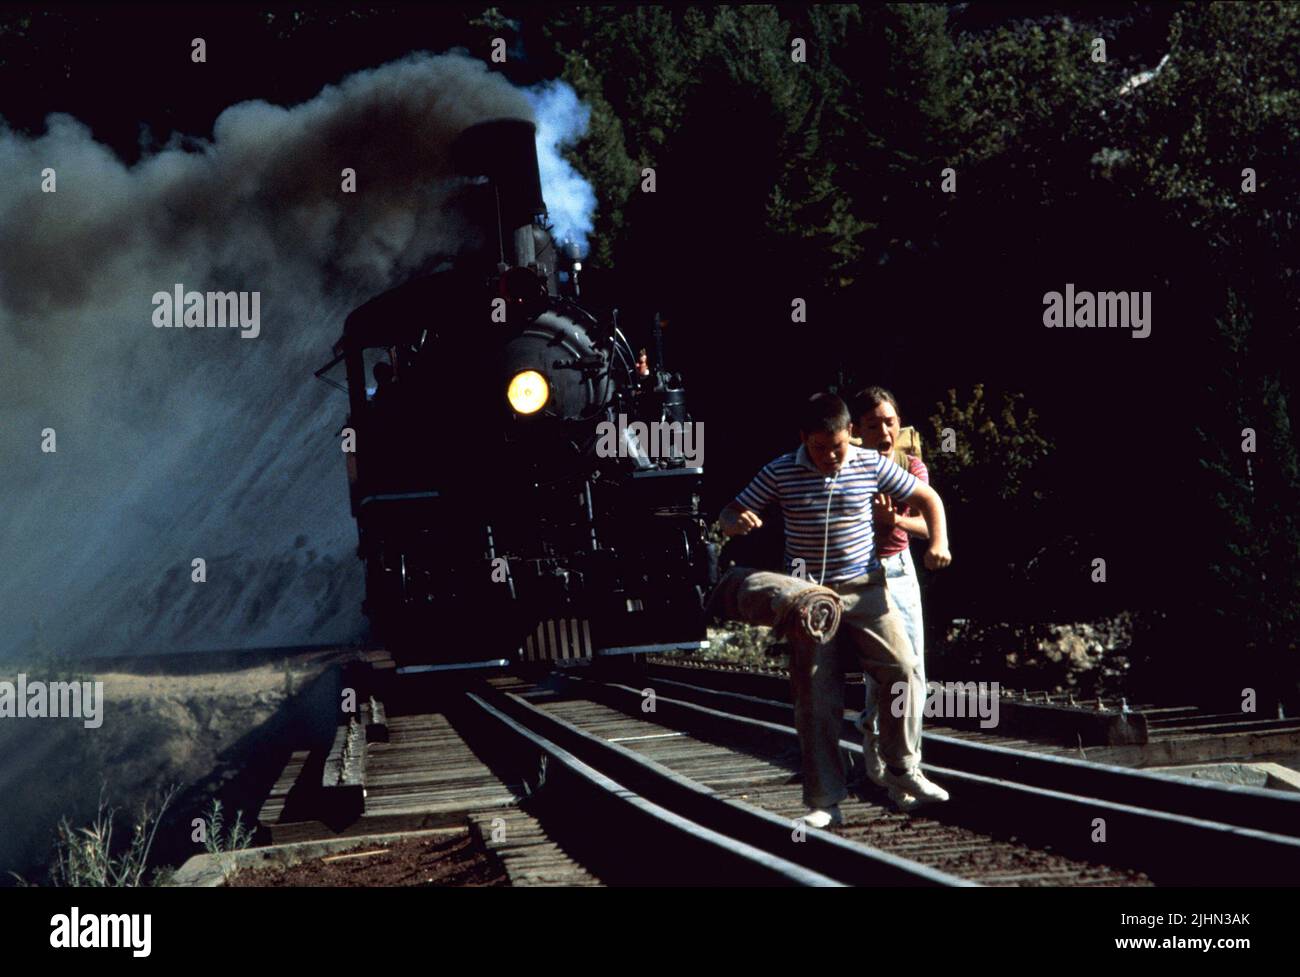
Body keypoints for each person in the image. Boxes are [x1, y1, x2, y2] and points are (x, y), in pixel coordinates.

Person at [719, 393, 953, 827]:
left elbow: (929, 498)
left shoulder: (870, 464)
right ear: (803, 438)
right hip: (810, 599)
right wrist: (736, 522)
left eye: (837, 446)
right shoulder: (781, 470)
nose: (828, 456)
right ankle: (825, 801)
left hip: (866, 590)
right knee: (816, 697)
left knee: (903, 668)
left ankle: (903, 768)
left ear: (850, 435)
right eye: (819, 447)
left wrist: (939, 543)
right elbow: (731, 510)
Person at [848, 386, 930, 787]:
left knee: (914, 671)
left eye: (890, 422)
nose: (883, 430)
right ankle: (873, 738)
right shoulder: (847, 468)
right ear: (856, 429)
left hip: (900, 569)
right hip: (862, 573)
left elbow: (927, 523)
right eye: (873, 423)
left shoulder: (910, 466)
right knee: (883, 673)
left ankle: (906, 767)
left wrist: (895, 522)